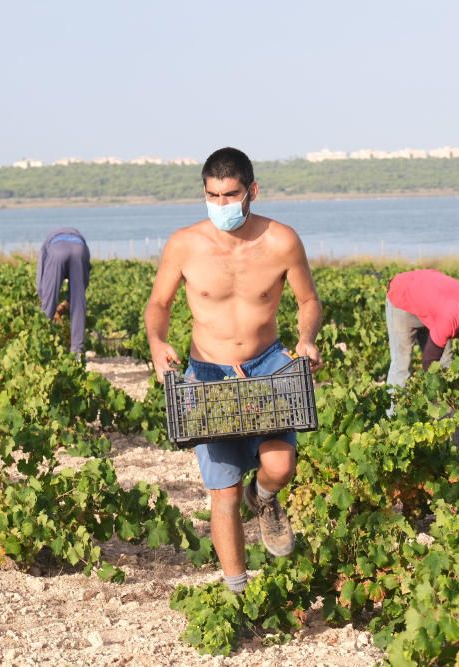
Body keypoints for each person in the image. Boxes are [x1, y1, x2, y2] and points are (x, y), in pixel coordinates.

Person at [144, 147, 322, 594]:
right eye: (212, 195)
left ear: (252, 191)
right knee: (222, 493)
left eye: (230, 195)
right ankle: (236, 590)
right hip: (208, 376)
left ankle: (263, 497)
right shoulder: (184, 244)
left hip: (268, 368)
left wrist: (307, 338)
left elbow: (308, 301)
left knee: (279, 466)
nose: (221, 204)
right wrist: (157, 342)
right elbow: (159, 304)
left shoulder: (283, 241)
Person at [385, 269, 459, 395]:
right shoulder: (448, 320)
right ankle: (392, 413)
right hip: (403, 296)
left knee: (446, 362)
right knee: (402, 364)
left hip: (431, 300)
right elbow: (429, 363)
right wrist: (439, 404)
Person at [36, 227, 91, 360]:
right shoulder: (82, 242)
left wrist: (46, 301)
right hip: (79, 249)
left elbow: (41, 281)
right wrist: (68, 302)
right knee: (79, 302)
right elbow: (83, 284)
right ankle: (77, 352)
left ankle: (42, 347)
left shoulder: (46, 244)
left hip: (57, 250)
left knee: (47, 304)